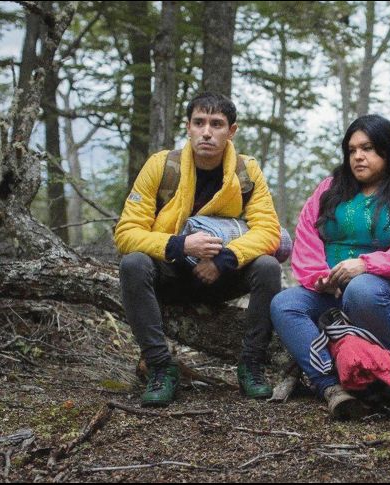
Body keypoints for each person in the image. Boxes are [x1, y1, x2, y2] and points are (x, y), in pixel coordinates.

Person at [114, 92, 282, 407]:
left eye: (216, 124)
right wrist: (179, 245)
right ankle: (160, 367)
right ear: (188, 127)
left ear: (232, 131)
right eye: (199, 122)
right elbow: (126, 233)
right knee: (134, 263)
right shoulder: (162, 166)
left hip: (222, 276)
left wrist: (225, 259)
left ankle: (252, 366)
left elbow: (268, 230)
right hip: (172, 273)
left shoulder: (246, 172)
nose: (207, 131)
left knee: (268, 267)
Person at [270, 114, 390, 419]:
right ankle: (333, 387)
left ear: (389, 151)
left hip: (384, 293)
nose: (358, 156)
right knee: (285, 303)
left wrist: (365, 265)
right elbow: (307, 234)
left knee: (361, 289)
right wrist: (319, 277)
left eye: (369, 148)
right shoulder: (329, 189)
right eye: (352, 149)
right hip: (330, 290)